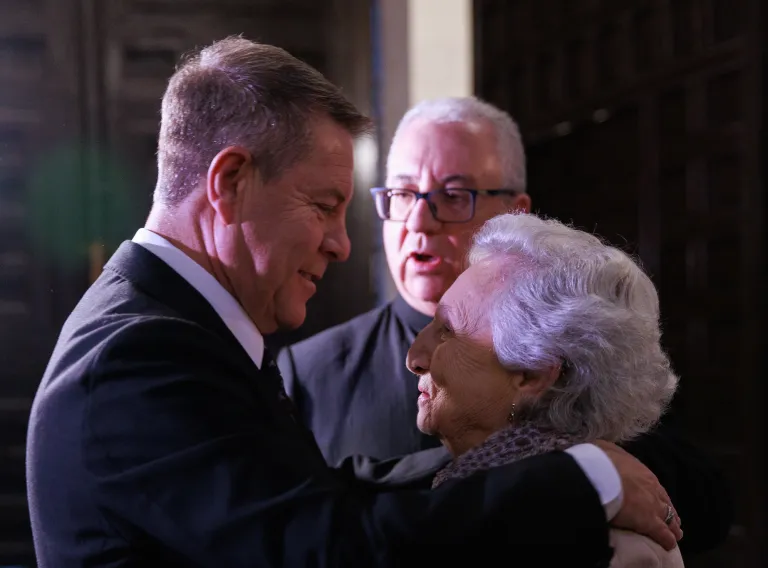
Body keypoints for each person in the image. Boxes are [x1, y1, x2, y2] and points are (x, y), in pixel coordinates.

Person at [25, 38, 680, 567]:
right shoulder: (142, 355)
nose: (342, 245)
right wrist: (583, 478)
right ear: (230, 182)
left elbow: (308, 498)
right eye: (323, 207)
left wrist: (530, 456)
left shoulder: (170, 330)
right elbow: (323, 545)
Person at [278, 97, 732, 555]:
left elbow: (700, 505)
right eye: (402, 195)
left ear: (516, 211)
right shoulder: (309, 368)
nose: (418, 221)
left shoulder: (586, 341)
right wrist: (552, 468)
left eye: (453, 196)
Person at [407, 212, 685, 568]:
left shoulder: (606, 542)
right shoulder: (486, 495)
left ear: (531, 373)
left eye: (448, 329)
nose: (414, 357)